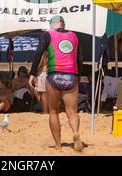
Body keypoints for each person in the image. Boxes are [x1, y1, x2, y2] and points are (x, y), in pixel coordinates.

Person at [29, 15, 84, 152]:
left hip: (54, 76)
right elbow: (80, 58)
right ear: (63, 24)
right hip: (71, 76)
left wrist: (32, 73)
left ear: (52, 25)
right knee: (72, 111)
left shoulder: (47, 35)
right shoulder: (74, 36)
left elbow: (38, 53)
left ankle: (58, 146)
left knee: (53, 112)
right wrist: (79, 75)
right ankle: (76, 132)